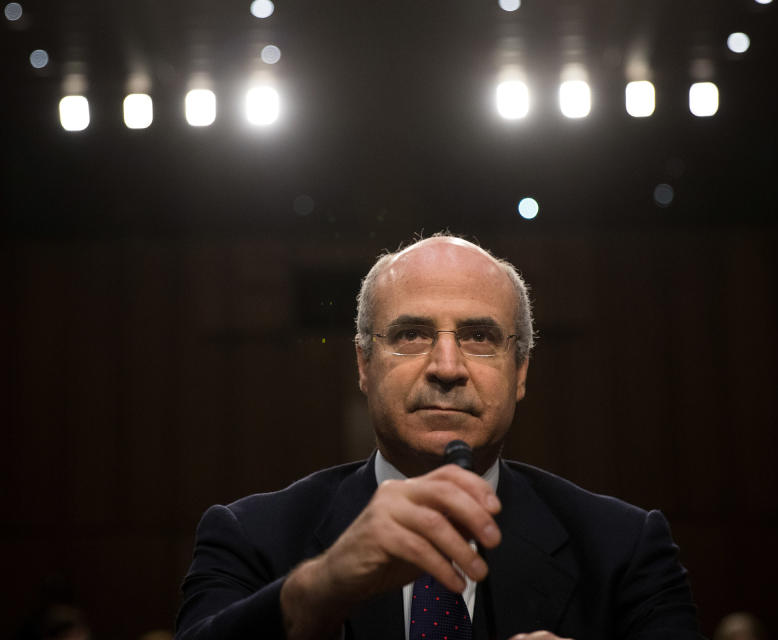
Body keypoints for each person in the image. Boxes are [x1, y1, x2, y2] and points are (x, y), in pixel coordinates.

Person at [175, 234, 703, 640]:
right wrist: (320, 586)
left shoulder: (626, 549)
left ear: (520, 372)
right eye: (411, 335)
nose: (446, 368)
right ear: (364, 364)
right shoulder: (249, 537)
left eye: (479, 337)